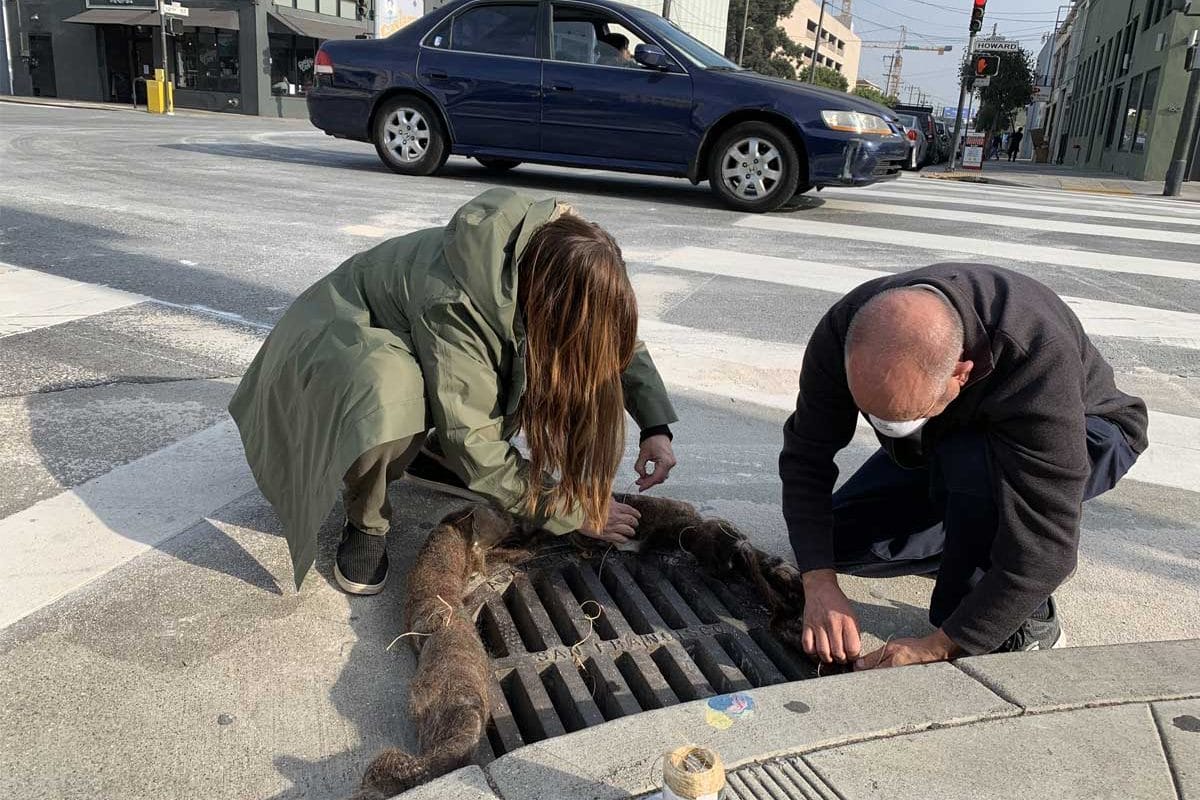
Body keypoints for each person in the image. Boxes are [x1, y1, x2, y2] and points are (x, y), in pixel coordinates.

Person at [230, 189, 679, 595]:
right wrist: (570, 509)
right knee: (390, 392)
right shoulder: (456, 303)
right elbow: (474, 436)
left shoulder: (552, 256)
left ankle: (431, 455)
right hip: (331, 345)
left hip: (408, 336)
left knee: (535, 362)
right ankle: (366, 523)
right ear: (549, 299)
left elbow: (611, 338)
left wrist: (654, 426)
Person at [779, 264, 1147, 669]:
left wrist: (939, 645)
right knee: (838, 545)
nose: (888, 429)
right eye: (877, 419)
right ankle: (974, 552)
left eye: (904, 418)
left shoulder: (1037, 352)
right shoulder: (847, 330)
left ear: (961, 371)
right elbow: (806, 458)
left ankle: (1029, 622)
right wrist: (818, 580)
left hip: (1089, 434)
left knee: (974, 470)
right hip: (946, 441)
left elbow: (1050, 549)